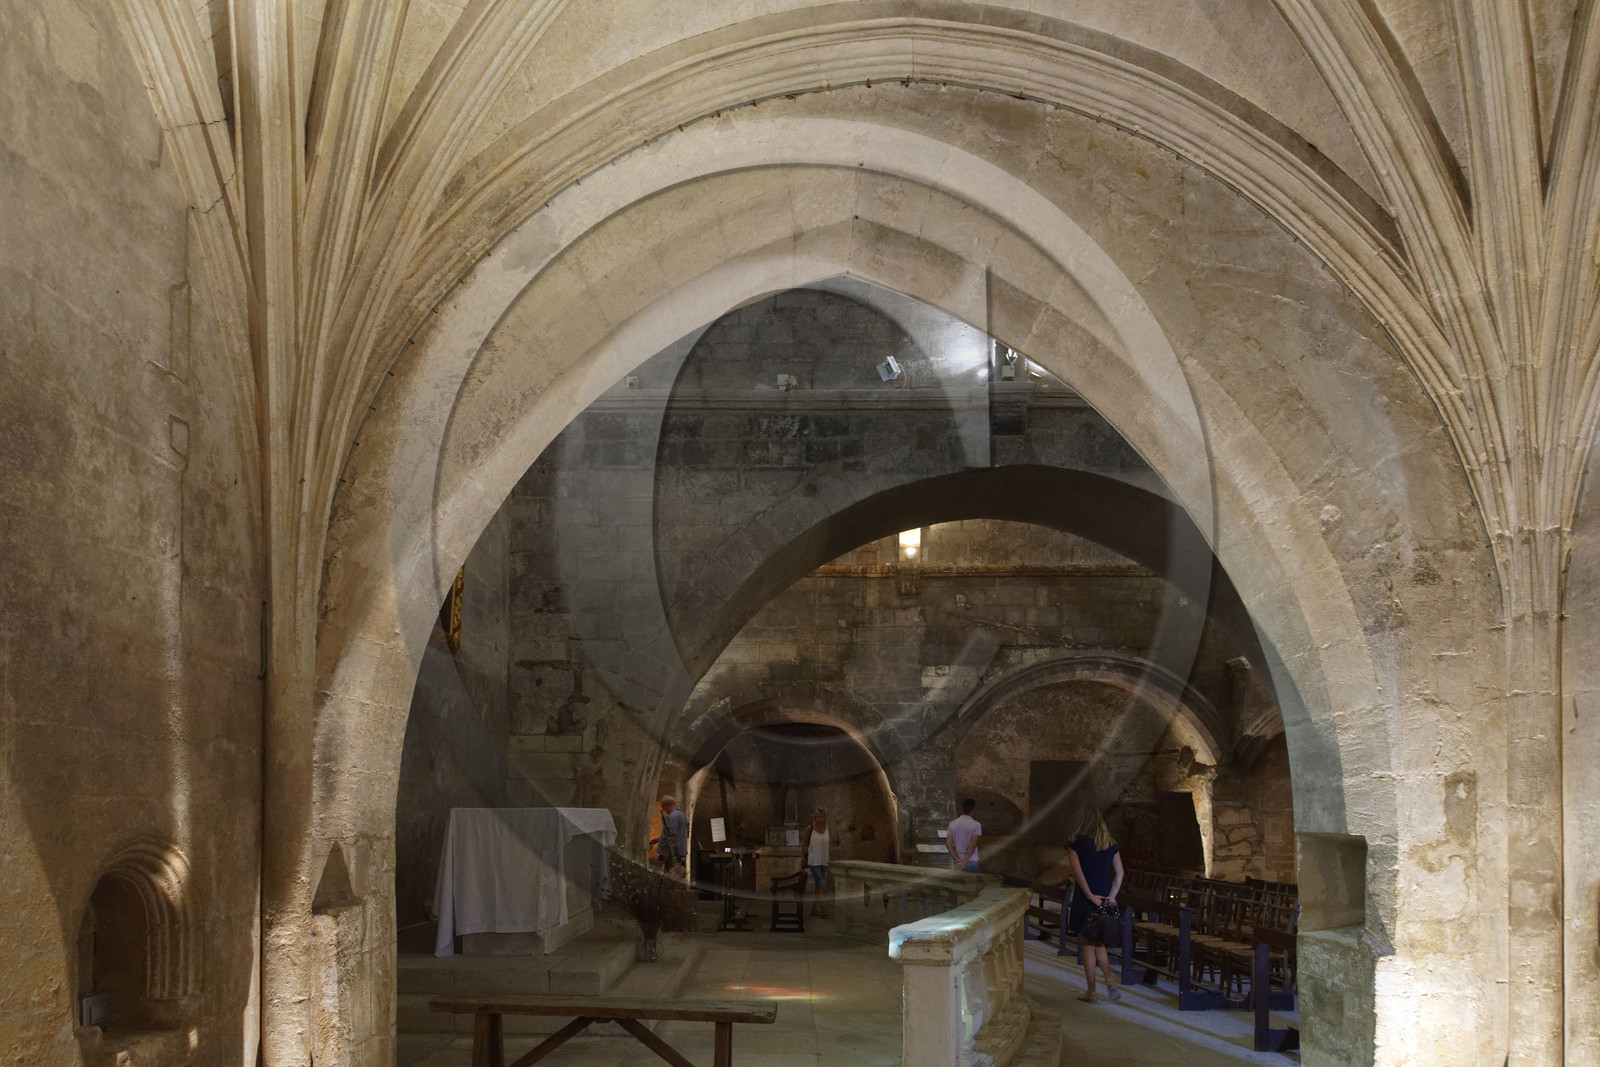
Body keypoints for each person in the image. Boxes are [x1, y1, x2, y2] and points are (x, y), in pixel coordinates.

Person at [1066, 808, 1124, 1004]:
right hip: (1105, 899)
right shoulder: (1110, 844)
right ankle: (1109, 981)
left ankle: (1091, 991)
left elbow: (1077, 872)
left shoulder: (1075, 843)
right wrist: (1111, 897)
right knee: (1099, 943)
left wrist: (1090, 896)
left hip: (1087, 898)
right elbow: (1120, 873)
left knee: (1088, 944)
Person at [799, 808, 832, 917]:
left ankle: (813, 909)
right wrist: (803, 856)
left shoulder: (827, 829)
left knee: (818, 886)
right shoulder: (810, 828)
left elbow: (830, 844)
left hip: (824, 860)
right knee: (821, 885)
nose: (820, 819)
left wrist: (833, 858)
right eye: (818, 817)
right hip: (814, 861)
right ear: (815, 818)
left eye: (822, 817)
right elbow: (804, 843)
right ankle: (824, 910)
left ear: (825, 817)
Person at [650, 795, 688, 874]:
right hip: (678, 851)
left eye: (663, 807)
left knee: (670, 875)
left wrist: (667, 852)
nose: (664, 810)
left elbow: (673, 836)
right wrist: (658, 839)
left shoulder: (673, 816)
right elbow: (670, 833)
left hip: (673, 853)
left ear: (667, 805)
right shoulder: (680, 814)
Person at [946, 799, 983, 873]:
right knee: (971, 884)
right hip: (971, 861)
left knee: (958, 884)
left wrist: (956, 859)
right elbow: (973, 845)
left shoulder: (952, 824)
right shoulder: (976, 825)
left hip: (958, 862)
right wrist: (964, 861)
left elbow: (948, 844)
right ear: (973, 810)